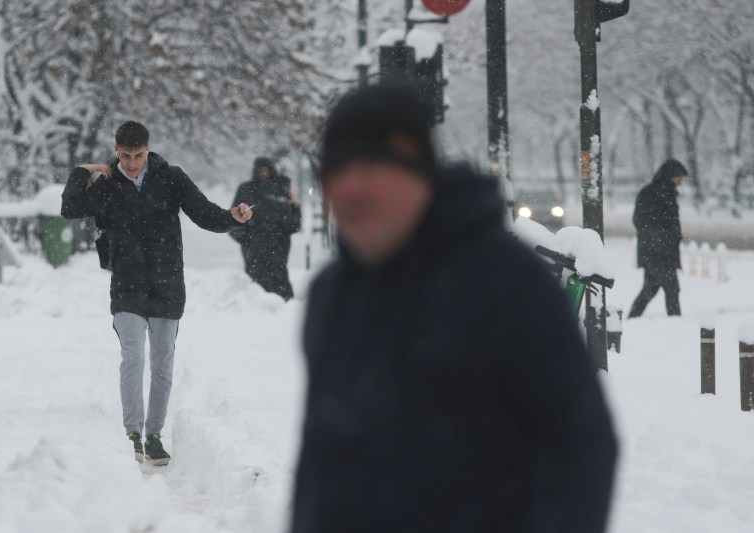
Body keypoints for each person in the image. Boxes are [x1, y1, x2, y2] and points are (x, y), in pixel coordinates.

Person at [290, 85, 618, 533]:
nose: (350, 186)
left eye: (370, 165)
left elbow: (583, 448)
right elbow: (320, 466)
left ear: (419, 172)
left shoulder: (508, 284)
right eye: (336, 170)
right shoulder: (332, 295)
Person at [60, 121, 252, 465]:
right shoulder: (108, 184)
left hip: (167, 283)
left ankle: (154, 435)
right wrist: (80, 171)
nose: (132, 163)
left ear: (148, 150)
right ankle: (132, 434)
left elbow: (204, 213)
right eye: (125, 156)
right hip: (126, 284)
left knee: (162, 363)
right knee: (133, 357)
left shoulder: (170, 177)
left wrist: (233, 218)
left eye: (139, 155)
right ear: (116, 151)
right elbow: (70, 208)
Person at [231, 157, 301, 300]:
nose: (264, 173)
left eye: (266, 169)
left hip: (278, 241)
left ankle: (282, 302)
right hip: (255, 242)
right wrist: (247, 239)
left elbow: (294, 221)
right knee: (256, 275)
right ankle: (257, 303)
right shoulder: (247, 189)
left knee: (278, 273)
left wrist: (293, 206)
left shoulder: (282, 187)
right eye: (260, 170)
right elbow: (234, 217)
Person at [628, 159, 687, 318]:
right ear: (670, 176)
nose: (680, 181)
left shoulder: (666, 192)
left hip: (660, 251)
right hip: (657, 252)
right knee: (672, 288)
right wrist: (659, 240)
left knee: (650, 289)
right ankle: (675, 321)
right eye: (678, 176)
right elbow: (640, 220)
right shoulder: (652, 193)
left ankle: (632, 317)